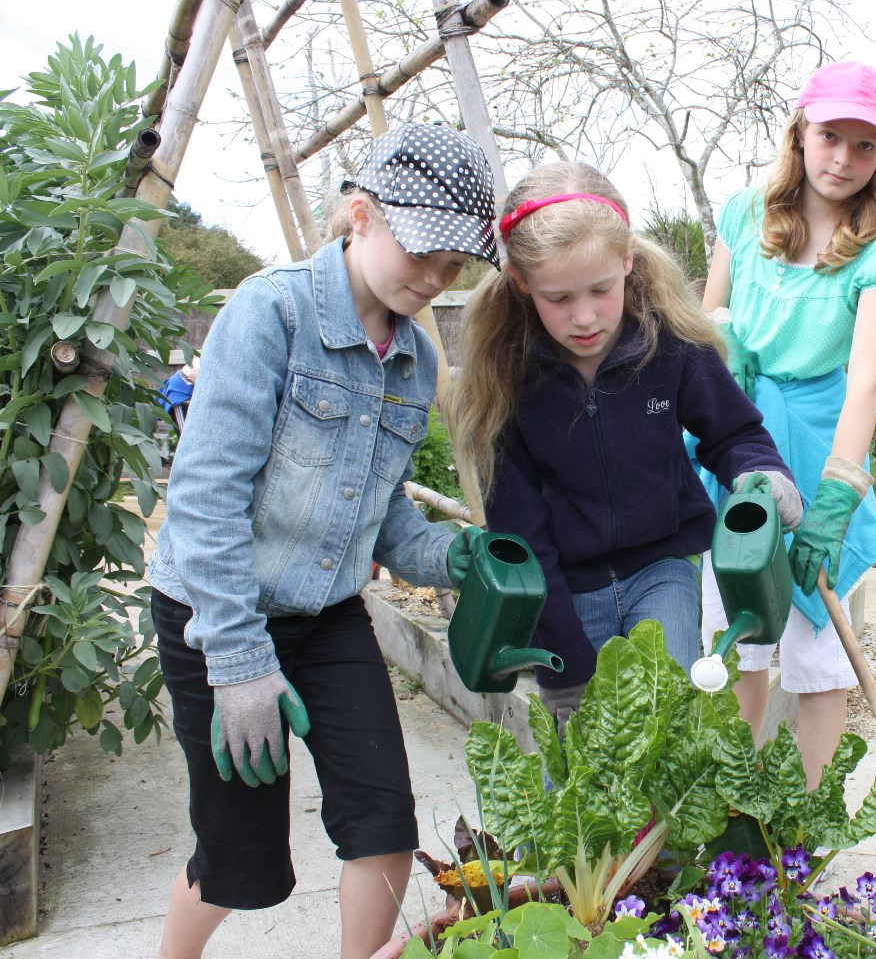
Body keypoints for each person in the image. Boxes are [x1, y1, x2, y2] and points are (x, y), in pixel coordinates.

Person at [145, 123, 499, 959]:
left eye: (456, 264)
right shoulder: (270, 314)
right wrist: (237, 663)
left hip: (331, 614)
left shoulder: (415, 357)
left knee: (383, 823)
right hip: (215, 613)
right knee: (240, 860)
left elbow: (382, 516)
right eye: (424, 251)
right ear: (361, 215)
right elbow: (203, 501)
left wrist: (453, 556)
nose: (437, 277)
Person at [447, 161, 802, 727]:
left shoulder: (674, 344)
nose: (584, 317)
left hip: (662, 569)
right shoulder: (507, 380)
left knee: (665, 724)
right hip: (567, 589)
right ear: (523, 284)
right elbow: (521, 536)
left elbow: (734, 432)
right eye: (558, 298)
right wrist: (564, 669)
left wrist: (762, 471)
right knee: (584, 751)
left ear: (628, 261)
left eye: (601, 290)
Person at [697, 61, 876, 790]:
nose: (843, 159)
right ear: (799, 132)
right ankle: (732, 803)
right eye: (830, 137)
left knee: (818, 651)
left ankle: (808, 824)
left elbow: (868, 380)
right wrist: (728, 359)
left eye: (865, 147)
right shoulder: (741, 215)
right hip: (738, 438)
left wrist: (835, 498)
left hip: (823, 439)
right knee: (738, 636)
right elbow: (710, 318)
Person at [158, 354, 201, 432]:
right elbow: (194, 373)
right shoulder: (200, 361)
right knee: (185, 434)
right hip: (180, 394)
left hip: (192, 391)